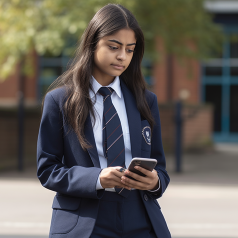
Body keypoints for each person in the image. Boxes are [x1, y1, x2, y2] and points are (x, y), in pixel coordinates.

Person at [37, 3, 171, 238]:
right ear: (92, 43)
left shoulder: (145, 101)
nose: (122, 56)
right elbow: (47, 170)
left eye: (130, 50)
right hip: (85, 220)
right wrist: (96, 178)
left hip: (140, 217)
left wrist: (155, 182)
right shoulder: (59, 101)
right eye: (113, 46)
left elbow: (160, 167)